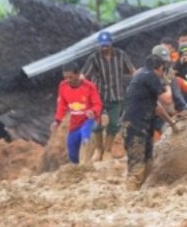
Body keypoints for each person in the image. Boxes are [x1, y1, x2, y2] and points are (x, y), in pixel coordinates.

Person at [122, 54, 177, 190]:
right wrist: (168, 83)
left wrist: (172, 124)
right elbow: (167, 100)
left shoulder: (142, 76)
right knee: (137, 166)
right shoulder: (149, 76)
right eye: (163, 70)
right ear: (159, 68)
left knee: (148, 162)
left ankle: (138, 193)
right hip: (135, 125)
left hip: (141, 125)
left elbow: (156, 107)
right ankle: (130, 197)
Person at [80, 30, 135, 161]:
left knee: (114, 124)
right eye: (102, 45)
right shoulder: (94, 58)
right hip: (98, 96)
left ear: (111, 44)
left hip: (116, 95)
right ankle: (98, 149)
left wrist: (139, 80)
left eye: (106, 45)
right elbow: (84, 75)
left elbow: (132, 70)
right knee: (96, 125)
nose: (104, 48)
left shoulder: (120, 55)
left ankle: (107, 150)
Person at [53, 62, 102, 165]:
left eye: (71, 77)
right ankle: (78, 168)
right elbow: (62, 105)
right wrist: (57, 120)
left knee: (85, 137)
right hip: (75, 122)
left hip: (89, 120)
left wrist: (92, 111)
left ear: (78, 74)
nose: (68, 80)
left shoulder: (89, 86)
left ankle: (88, 162)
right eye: (65, 77)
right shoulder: (63, 86)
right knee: (72, 153)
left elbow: (98, 104)